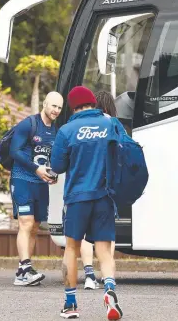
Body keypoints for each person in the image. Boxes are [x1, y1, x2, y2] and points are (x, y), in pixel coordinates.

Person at [51, 86, 123, 320]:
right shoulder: (110, 124)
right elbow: (126, 151)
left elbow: (58, 166)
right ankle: (110, 289)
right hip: (104, 196)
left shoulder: (66, 130)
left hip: (77, 198)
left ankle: (71, 304)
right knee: (103, 249)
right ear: (93, 103)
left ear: (73, 107)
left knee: (72, 247)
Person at [9, 91, 63, 286]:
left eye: (59, 107)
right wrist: (36, 169)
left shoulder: (57, 131)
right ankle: (25, 268)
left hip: (41, 183)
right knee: (25, 222)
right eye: (53, 106)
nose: (56, 110)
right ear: (45, 104)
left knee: (34, 227)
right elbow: (13, 151)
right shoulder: (29, 124)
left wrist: (52, 173)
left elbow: (52, 157)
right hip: (22, 179)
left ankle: (22, 272)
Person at [80, 90, 117, 290]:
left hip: (84, 186)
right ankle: (108, 276)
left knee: (86, 234)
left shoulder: (84, 124)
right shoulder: (114, 125)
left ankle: (88, 275)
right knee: (106, 234)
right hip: (106, 188)